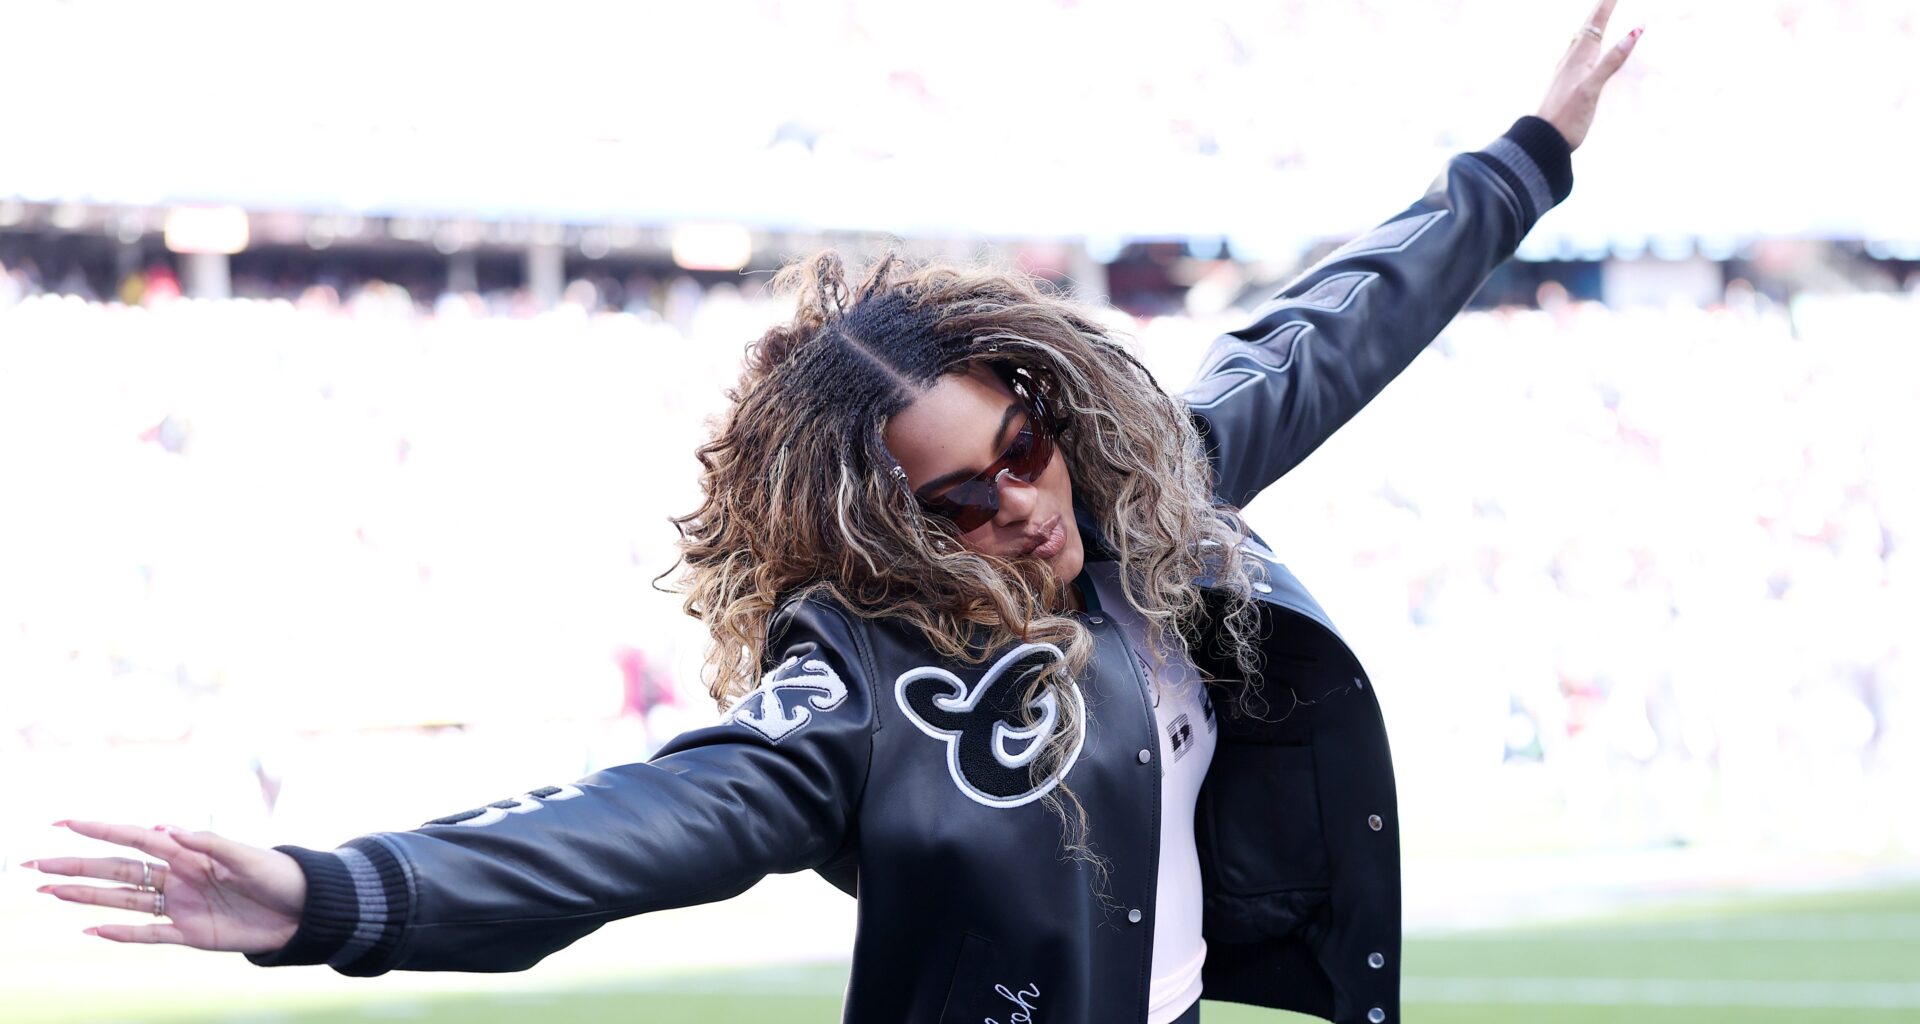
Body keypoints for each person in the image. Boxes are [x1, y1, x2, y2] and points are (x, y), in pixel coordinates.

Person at [27, 6, 1643, 1022]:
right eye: (963, 494)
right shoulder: (865, 672)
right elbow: (644, 828)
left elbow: (1330, 331)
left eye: (1025, 446)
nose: (1021, 502)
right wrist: (334, 899)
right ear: (887, 529)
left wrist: (1524, 162)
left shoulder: (1146, 492)